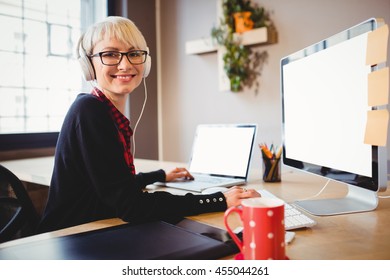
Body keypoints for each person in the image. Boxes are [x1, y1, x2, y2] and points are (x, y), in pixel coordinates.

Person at [38, 16, 259, 233]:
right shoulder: (90, 111)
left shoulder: (101, 110)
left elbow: (115, 185)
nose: (125, 64)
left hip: (93, 231)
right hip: (71, 240)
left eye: (134, 53)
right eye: (110, 54)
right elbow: (132, 206)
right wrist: (217, 200)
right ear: (88, 65)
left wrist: (159, 175)